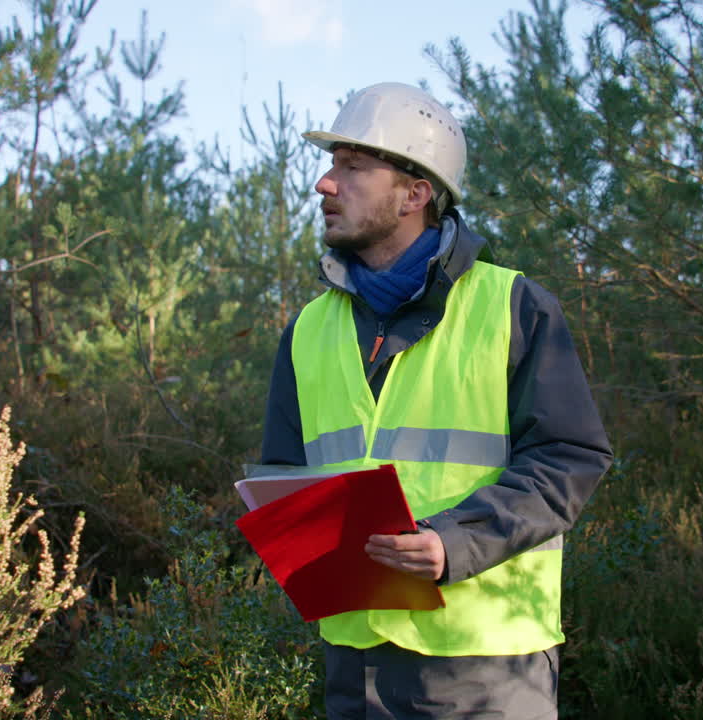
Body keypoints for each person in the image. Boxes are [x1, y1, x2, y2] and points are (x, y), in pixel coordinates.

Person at [256, 82, 613, 719]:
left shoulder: (515, 308)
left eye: (353, 167)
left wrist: (454, 542)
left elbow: (571, 458)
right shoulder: (306, 331)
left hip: (485, 669)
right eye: (332, 164)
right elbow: (286, 476)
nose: (325, 184)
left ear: (416, 193)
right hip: (353, 664)